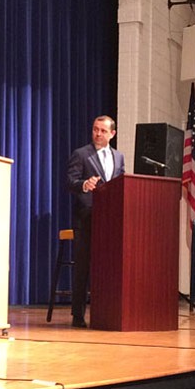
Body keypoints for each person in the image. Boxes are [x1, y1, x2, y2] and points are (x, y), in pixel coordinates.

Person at [67, 115, 125, 328]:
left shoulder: (119, 157)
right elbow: (70, 182)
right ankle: (78, 315)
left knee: (110, 267)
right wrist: (84, 184)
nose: (98, 134)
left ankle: (108, 312)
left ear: (112, 134)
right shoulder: (81, 154)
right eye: (95, 129)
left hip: (111, 220)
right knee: (83, 266)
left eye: (102, 130)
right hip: (87, 217)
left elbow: (121, 183)